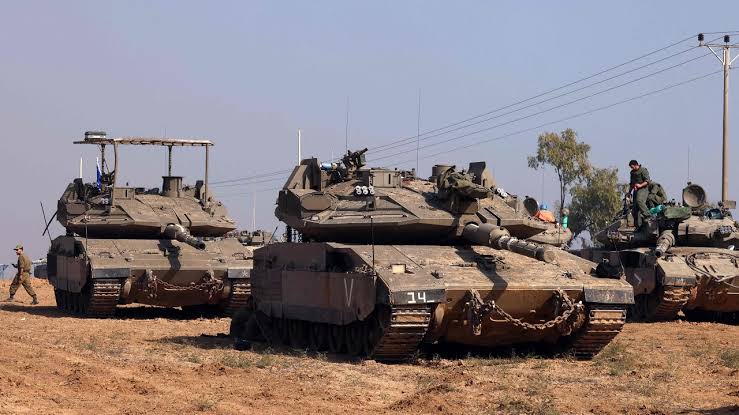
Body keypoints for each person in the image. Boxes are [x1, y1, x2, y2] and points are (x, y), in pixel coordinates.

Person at [629, 160, 651, 229]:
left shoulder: (643, 170)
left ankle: (648, 215)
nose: (632, 168)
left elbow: (647, 181)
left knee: (639, 200)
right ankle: (638, 226)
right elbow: (631, 184)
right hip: (636, 190)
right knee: (634, 208)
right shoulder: (632, 172)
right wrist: (629, 192)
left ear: (636, 165)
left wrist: (640, 185)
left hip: (643, 189)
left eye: (632, 167)